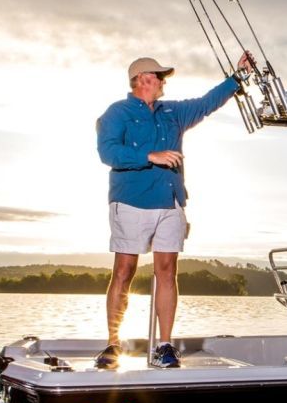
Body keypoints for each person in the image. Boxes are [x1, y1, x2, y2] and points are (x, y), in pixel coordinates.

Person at [94, 52, 256, 369]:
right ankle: (113, 344)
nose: (163, 82)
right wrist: (149, 155)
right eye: (159, 77)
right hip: (130, 201)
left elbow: (207, 103)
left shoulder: (174, 112)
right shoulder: (116, 113)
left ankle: (165, 346)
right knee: (124, 271)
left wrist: (237, 78)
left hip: (171, 202)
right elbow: (108, 152)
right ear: (142, 79)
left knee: (167, 270)